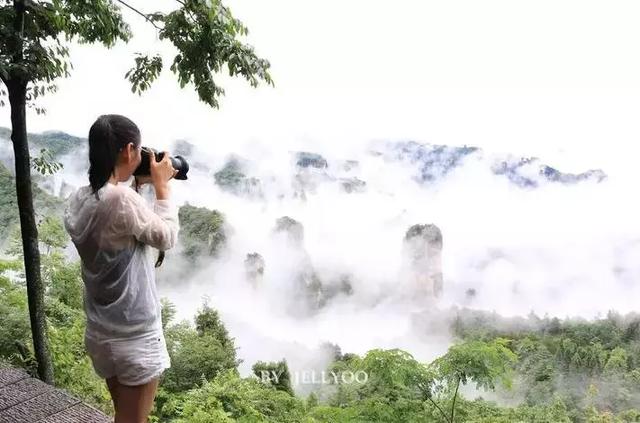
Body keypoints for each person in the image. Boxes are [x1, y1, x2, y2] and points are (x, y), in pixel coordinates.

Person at [63, 114, 179, 422]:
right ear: (129, 151)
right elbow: (166, 237)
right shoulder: (122, 200)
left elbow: (119, 225)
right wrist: (162, 187)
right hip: (134, 338)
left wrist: (136, 187)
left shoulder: (79, 199)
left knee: (123, 414)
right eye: (140, 152)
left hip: (101, 333)